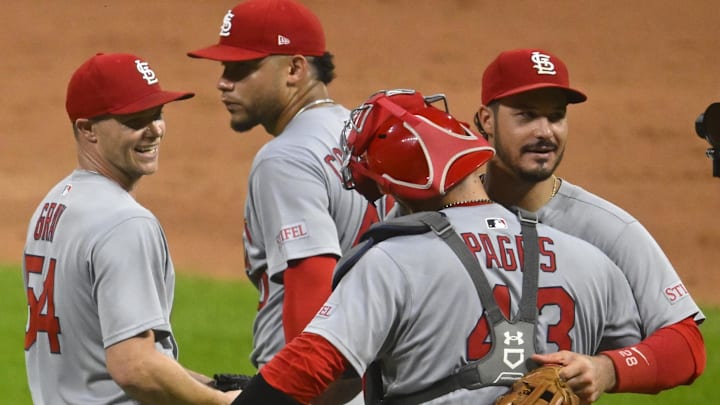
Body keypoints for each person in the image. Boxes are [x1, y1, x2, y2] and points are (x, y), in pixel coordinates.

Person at [227, 89, 644, 404]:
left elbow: (309, 366)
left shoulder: (391, 263)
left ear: (396, 189)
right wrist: (605, 369)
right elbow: (666, 354)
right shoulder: (588, 260)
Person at [474, 48, 706, 401]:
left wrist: (606, 369)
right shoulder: (446, 216)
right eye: (526, 116)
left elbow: (687, 345)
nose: (545, 132)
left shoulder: (608, 230)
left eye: (556, 116)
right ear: (487, 120)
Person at [186, 0, 385, 402]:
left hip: (315, 386)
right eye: (224, 69)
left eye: (242, 69)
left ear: (295, 69)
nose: (224, 82)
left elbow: (311, 287)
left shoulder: (287, 157)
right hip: (370, 379)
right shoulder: (360, 135)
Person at [22, 52, 239, 404]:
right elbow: (134, 367)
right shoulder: (125, 222)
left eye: (157, 114)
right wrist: (222, 403)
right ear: (87, 130)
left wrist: (212, 386)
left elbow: (103, 357)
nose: (153, 129)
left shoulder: (53, 205)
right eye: (135, 119)